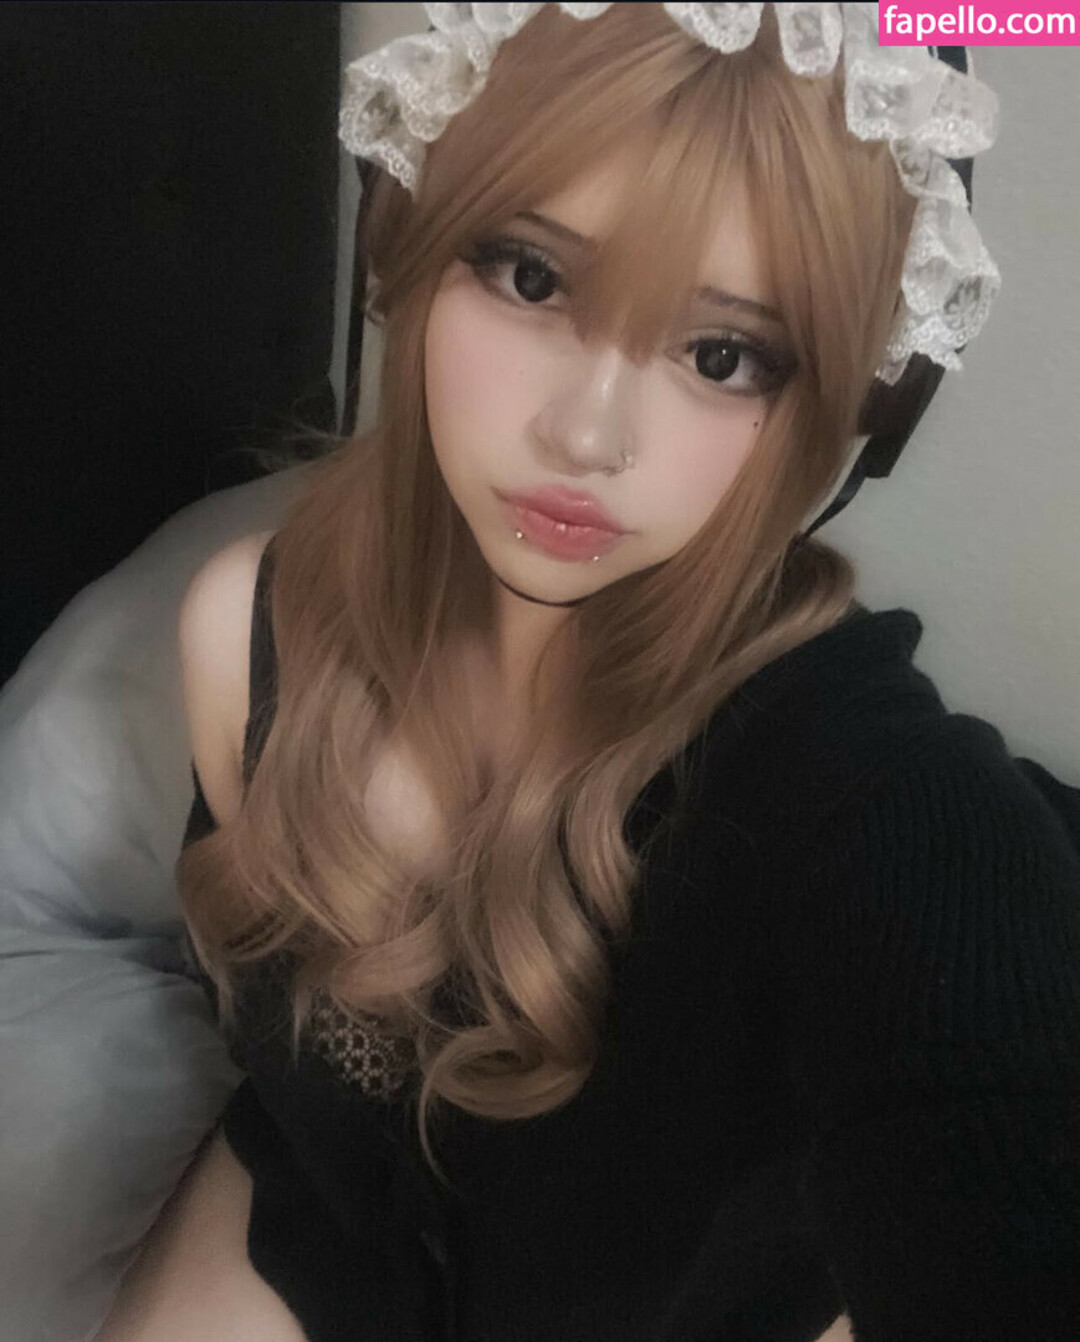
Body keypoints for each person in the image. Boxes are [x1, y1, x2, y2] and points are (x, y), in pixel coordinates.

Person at [96, 5, 1080, 1340]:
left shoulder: (851, 793)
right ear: (414, 240)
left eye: (722, 355)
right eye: (531, 276)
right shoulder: (243, 634)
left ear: (844, 406)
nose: (588, 434)